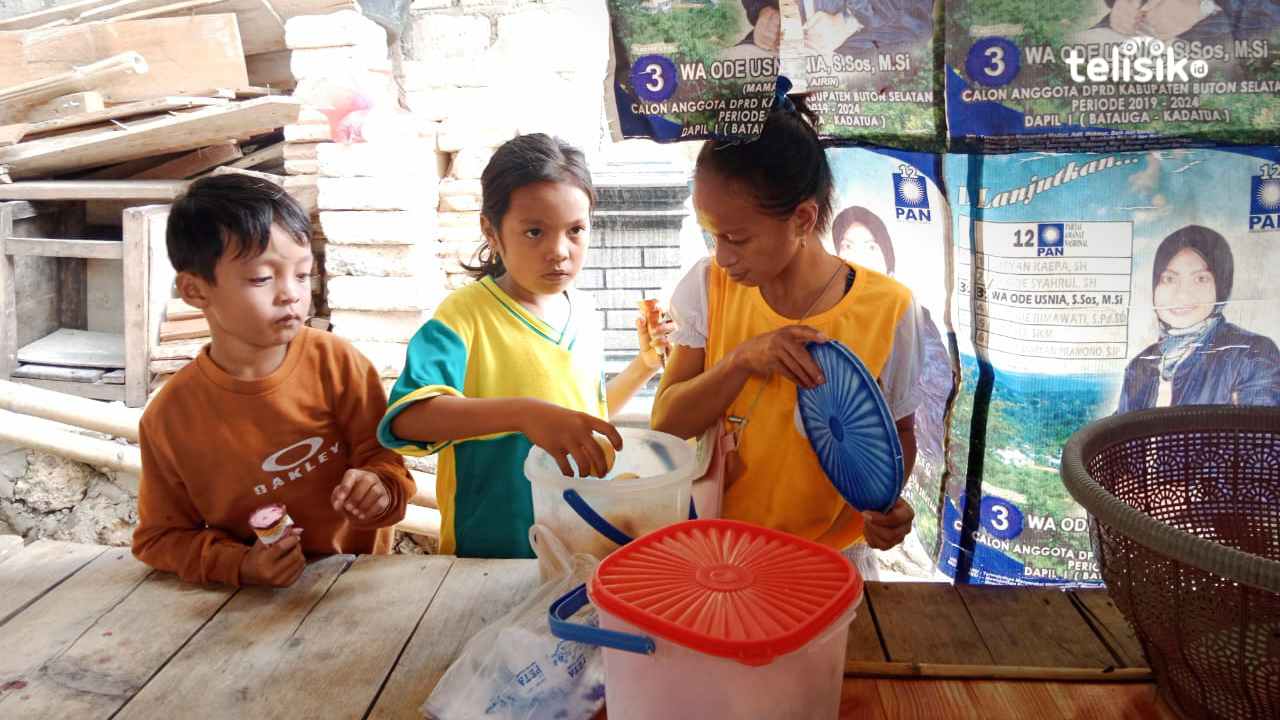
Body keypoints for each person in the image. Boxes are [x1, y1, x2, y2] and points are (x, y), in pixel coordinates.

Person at [652, 82, 924, 554]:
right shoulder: (708, 287)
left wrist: (884, 508)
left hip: (835, 557)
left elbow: (898, 435)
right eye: (711, 234)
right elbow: (668, 424)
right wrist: (739, 362)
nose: (722, 257)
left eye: (736, 238)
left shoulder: (890, 309)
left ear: (801, 219)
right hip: (725, 547)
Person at [378, 134, 671, 559]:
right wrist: (522, 413)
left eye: (576, 231)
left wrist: (644, 365)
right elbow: (407, 419)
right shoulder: (462, 318)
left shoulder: (583, 313)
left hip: (575, 539)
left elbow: (584, 418)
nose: (559, 252)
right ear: (490, 231)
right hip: (490, 550)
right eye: (534, 232)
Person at [132, 175, 415, 588]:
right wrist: (241, 565)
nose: (290, 295)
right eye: (263, 279)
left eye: (302, 276)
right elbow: (159, 538)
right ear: (194, 290)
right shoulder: (171, 418)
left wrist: (379, 490)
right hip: (254, 601)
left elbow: (388, 462)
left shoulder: (336, 363)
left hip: (360, 582)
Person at [831, 204, 952, 485]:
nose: (858, 256)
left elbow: (932, 393)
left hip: (900, 457)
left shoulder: (910, 314)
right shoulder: (829, 311)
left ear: (887, 257)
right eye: (847, 245)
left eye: (870, 247)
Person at [1117, 224, 1280, 412]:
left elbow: (1263, 435)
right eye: (1169, 279)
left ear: (1221, 288)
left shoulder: (1253, 354)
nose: (1182, 295)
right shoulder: (1140, 366)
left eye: (1200, 279)